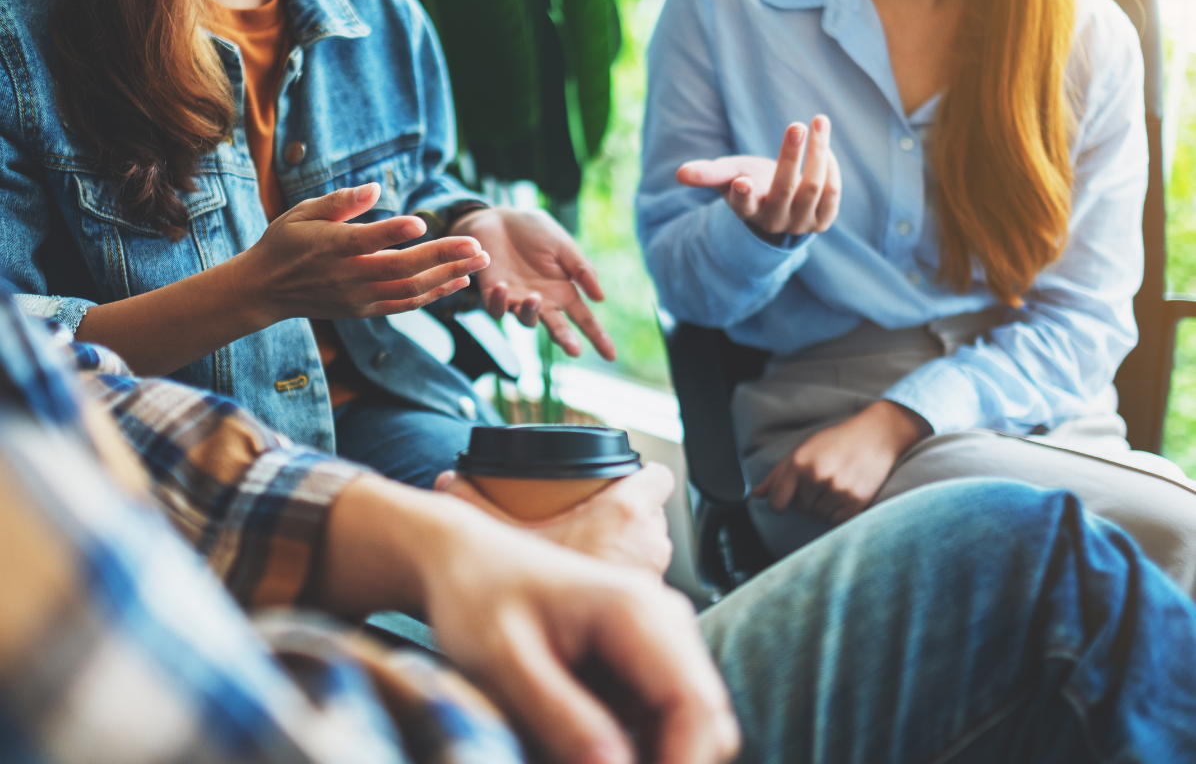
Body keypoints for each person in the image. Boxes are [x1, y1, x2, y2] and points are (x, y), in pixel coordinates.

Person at [3, 289, 1196, 763]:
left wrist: (443, 544)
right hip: (368, 696)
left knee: (1042, 541)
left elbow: (63, 370)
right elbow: (701, 285)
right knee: (1048, 570)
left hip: (337, 496)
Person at [637, 0, 1196, 592]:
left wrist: (903, 419)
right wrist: (759, 235)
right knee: (1164, 542)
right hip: (821, 441)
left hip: (1047, 424)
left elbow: (1084, 324)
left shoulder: (1091, 37)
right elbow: (685, 292)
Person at [0, 0, 615, 490]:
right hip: (164, 455)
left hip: (379, 412)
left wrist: (467, 222)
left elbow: (414, 187)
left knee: (587, 507)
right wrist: (254, 291)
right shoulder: (14, 26)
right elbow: (12, 347)